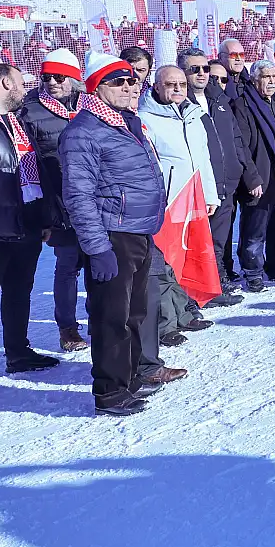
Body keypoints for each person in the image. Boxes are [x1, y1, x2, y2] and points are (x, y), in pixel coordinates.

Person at [60, 53, 181, 417]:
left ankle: (130, 378)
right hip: (113, 234)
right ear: (97, 88)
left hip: (139, 230)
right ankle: (110, 391)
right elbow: (78, 196)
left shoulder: (126, 121)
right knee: (111, 316)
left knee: (134, 313)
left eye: (131, 79)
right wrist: (98, 249)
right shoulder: (83, 131)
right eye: (118, 81)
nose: (129, 86)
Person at [0, 63, 60, 401]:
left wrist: (44, 219)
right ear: (6, 82)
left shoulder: (16, 119)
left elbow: (32, 171)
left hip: (25, 222)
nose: (27, 88)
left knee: (19, 292)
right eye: (22, 82)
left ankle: (18, 353)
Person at [139, 65, 220, 344]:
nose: (177, 89)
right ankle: (166, 324)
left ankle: (186, 312)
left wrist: (210, 195)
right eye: (170, 84)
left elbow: (203, 160)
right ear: (157, 87)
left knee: (188, 258)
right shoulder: (145, 119)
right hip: (168, 202)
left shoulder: (194, 116)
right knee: (164, 264)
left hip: (194, 199)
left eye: (181, 84)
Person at [17, 48, 88, 350]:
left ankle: (102, 320)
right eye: (47, 77)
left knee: (100, 263)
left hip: (96, 201)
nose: (52, 82)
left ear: (73, 78)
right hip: (59, 204)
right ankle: (67, 328)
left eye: (59, 77)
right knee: (68, 266)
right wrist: (42, 213)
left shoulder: (91, 106)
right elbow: (26, 164)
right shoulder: (30, 111)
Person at [180, 47, 258, 306]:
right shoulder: (180, 103)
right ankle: (196, 291)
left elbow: (237, 140)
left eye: (205, 69)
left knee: (218, 241)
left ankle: (216, 283)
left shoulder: (220, 99)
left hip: (226, 182)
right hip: (198, 186)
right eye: (195, 69)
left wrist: (248, 174)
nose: (202, 74)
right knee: (198, 242)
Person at [234, 60, 275, 292]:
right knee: (254, 230)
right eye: (266, 77)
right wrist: (252, 178)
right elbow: (240, 146)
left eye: (274, 77)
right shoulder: (242, 105)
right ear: (253, 79)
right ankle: (252, 272)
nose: (271, 81)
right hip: (260, 177)